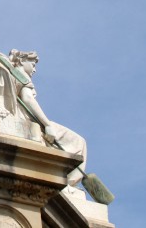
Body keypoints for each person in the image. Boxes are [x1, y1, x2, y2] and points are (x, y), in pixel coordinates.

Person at [8, 50, 88, 187]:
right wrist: (47, 125)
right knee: (79, 142)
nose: (34, 69)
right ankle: (68, 184)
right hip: (30, 120)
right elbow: (27, 99)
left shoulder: (11, 73)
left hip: (26, 119)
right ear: (21, 61)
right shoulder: (21, 76)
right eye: (33, 64)